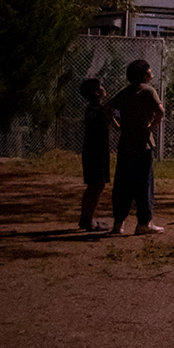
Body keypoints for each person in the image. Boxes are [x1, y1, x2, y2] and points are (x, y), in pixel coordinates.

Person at [108, 59, 165, 235]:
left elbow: (107, 109)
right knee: (144, 184)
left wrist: (117, 126)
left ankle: (118, 223)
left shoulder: (125, 92)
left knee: (122, 184)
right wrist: (151, 127)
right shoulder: (149, 91)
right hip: (144, 144)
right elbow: (161, 111)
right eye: (148, 69)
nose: (150, 71)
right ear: (144, 74)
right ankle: (144, 223)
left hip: (126, 143)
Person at [78, 78, 110, 232]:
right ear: (97, 92)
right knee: (96, 186)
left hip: (91, 151)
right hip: (97, 151)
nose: (104, 88)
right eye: (101, 86)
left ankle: (86, 218)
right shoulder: (99, 110)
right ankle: (89, 219)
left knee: (93, 185)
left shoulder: (91, 109)